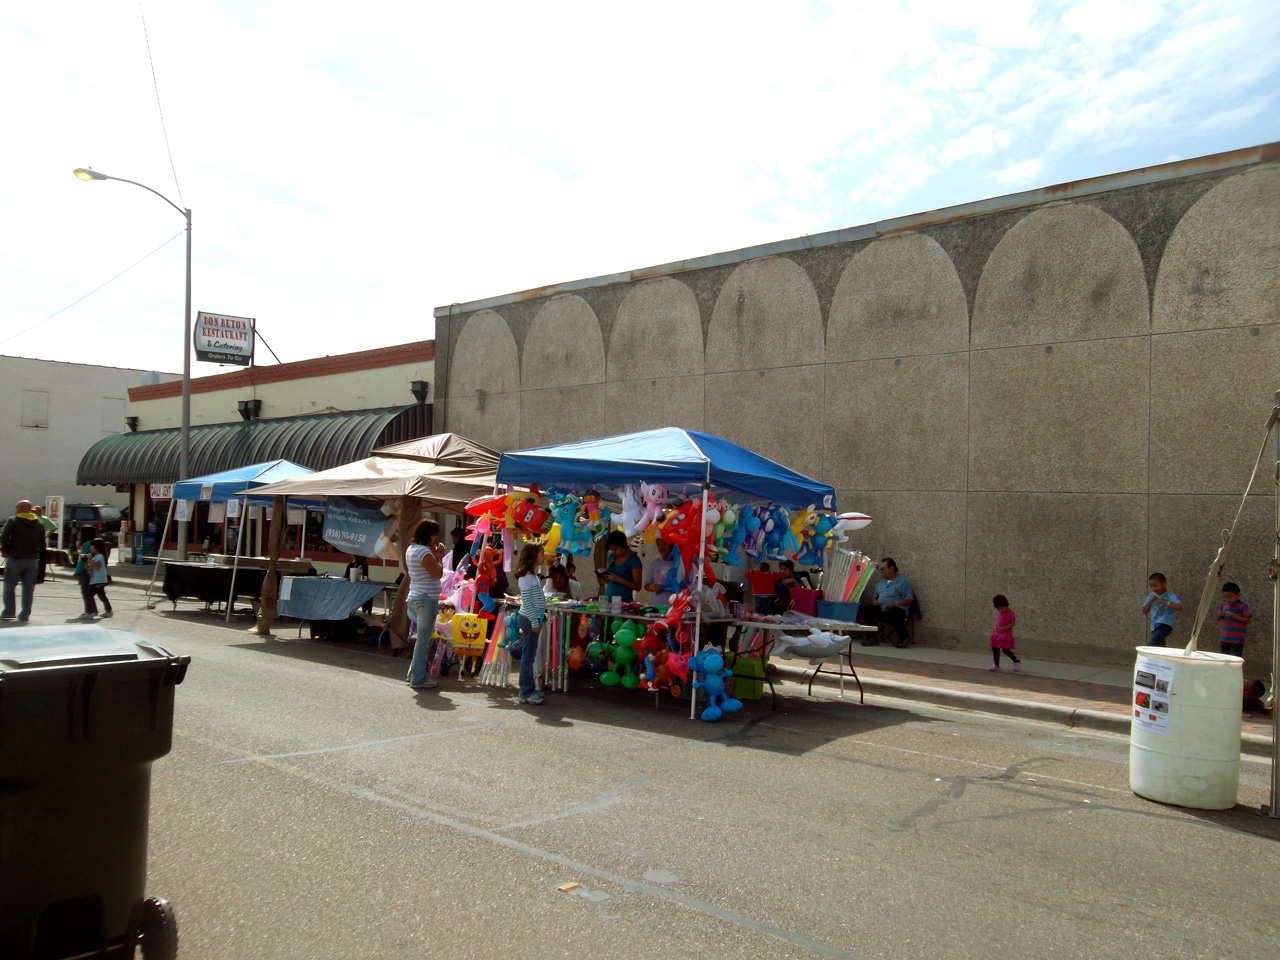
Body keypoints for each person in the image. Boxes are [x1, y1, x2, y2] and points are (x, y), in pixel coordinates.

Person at [405, 520, 444, 690]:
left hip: (416, 597)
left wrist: (434, 551)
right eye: (435, 535)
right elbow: (437, 573)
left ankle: (413, 673)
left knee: (422, 639)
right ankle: (418, 678)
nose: (437, 538)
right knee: (423, 640)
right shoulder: (424, 552)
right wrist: (440, 556)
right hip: (426, 599)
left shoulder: (412, 548)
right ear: (429, 535)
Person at [1, 499, 47, 623]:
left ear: (21, 508)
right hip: (32, 560)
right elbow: (42, 543)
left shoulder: (13, 521)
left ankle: (9, 612)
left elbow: (4, 538)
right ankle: (24, 614)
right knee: (28, 588)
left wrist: (6, 550)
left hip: (15, 558)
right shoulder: (39, 524)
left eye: (17, 507)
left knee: (9, 585)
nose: (15, 509)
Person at [514, 542, 547, 705]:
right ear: (534, 556)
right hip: (529, 619)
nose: (544, 556)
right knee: (528, 656)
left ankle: (528, 689)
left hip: (532, 618)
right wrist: (534, 621)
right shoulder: (526, 577)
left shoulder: (531, 576)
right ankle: (525, 691)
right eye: (541, 553)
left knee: (530, 655)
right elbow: (526, 601)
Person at [860, 557, 914, 647]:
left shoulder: (903, 582)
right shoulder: (881, 583)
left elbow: (909, 599)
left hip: (897, 611)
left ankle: (904, 637)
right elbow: (875, 597)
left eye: (883, 569)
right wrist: (875, 602)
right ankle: (872, 637)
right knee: (867, 609)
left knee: (893, 611)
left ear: (892, 569)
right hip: (882, 610)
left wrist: (895, 604)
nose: (881, 571)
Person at [599, 530, 642, 602]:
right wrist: (605, 576)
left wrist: (618, 579)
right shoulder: (611, 556)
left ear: (623, 545)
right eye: (611, 549)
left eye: (615, 549)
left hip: (624, 600)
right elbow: (609, 579)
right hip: (608, 599)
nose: (613, 552)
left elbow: (637, 586)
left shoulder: (633, 560)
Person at [1142, 572, 1181, 647]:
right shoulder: (1151, 596)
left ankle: (1148, 655)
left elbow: (1179, 607)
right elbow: (1144, 611)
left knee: (1153, 643)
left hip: (1165, 624)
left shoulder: (1170, 595)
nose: (1153, 589)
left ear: (1164, 584)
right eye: (1151, 586)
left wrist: (1165, 602)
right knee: (1160, 645)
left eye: (1156, 586)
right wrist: (1150, 602)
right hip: (1154, 625)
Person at [1215, 581, 1252, 657]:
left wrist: (1234, 616)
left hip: (1237, 640)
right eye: (1225, 597)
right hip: (1224, 638)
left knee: (1234, 658)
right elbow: (1218, 618)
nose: (1228, 599)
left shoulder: (1243, 606)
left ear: (1238, 595)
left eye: (1230, 597)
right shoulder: (1224, 605)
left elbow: (1248, 620)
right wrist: (1220, 614)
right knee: (1223, 658)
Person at [989, 594, 1020, 671]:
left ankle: (1016, 661)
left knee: (1005, 650)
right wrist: (994, 630)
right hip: (997, 633)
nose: (1000, 610)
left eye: (1001, 608)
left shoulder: (1010, 613)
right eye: (998, 608)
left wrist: (1004, 628)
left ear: (1005, 605)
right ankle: (996, 664)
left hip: (1005, 634)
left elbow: (1013, 623)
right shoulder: (999, 613)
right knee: (995, 648)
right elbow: (998, 622)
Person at [642, 539, 676, 606]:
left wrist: (683, 589)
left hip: (677, 608)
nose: (661, 548)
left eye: (664, 544)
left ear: (673, 545)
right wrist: (653, 587)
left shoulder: (682, 564)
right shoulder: (655, 564)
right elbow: (646, 585)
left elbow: (692, 585)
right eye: (659, 545)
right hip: (657, 607)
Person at [86, 538, 113, 619]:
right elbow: (90, 567)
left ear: (96, 546)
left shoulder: (100, 556)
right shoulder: (96, 557)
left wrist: (90, 560)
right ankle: (109, 610)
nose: (90, 547)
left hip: (98, 580)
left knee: (89, 595)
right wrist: (87, 561)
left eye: (92, 545)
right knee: (101, 596)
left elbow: (97, 567)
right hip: (96, 580)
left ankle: (93, 611)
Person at [74, 526, 97, 620]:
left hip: (85, 570)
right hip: (91, 570)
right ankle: (93, 610)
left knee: (86, 592)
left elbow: (83, 560)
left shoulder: (86, 544)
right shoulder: (93, 543)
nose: (79, 534)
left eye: (80, 532)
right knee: (89, 592)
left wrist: (77, 571)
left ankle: (88, 611)